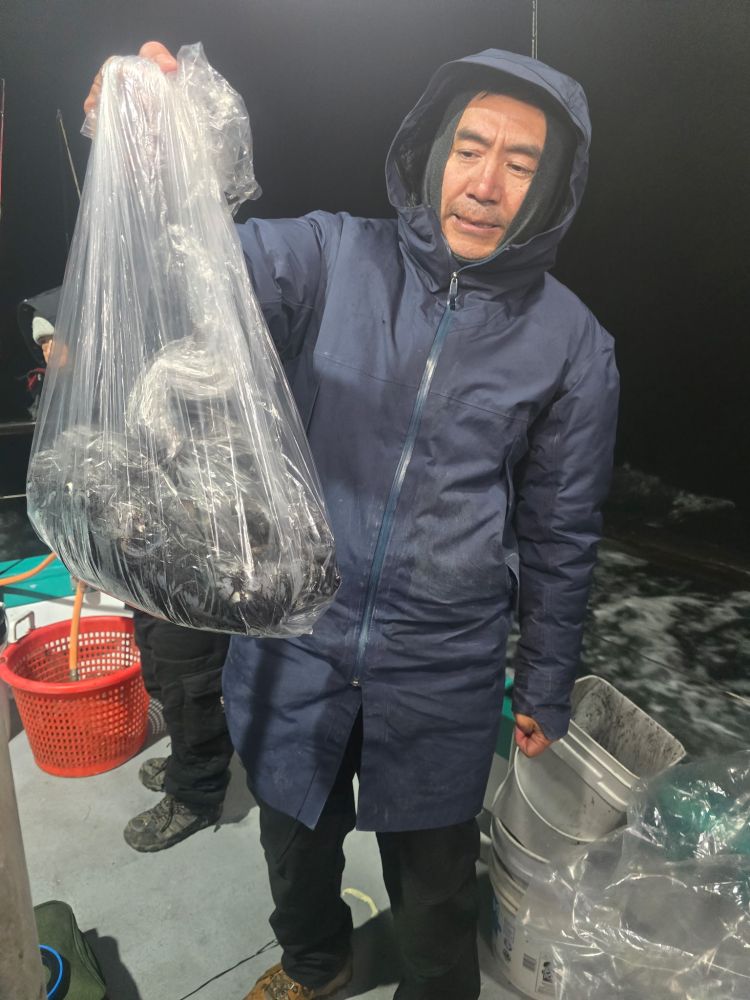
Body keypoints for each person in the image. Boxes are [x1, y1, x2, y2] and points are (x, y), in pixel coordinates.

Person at [85, 42, 619, 999]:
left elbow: (561, 530)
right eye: (470, 148)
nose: (487, 183)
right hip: (298, 639)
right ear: (432, 154)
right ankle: (315, 967)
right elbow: (194, 269)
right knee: (294, 856)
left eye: (521, 164)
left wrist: (544, 680)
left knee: (437, 891)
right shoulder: (333, 255)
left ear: (552, 193)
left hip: (443, 667)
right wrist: (148, 146)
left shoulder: (572, 345)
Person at [18, 292, 234, 852]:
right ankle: (187, 758)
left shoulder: (151, 382)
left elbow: (183, 468)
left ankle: (198, 794)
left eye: (53, 337)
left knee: (192, 684)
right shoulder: (78, 393)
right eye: (41, 341)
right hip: (140, 570)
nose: (47, 350)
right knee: (160, 666)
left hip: (189, 570)